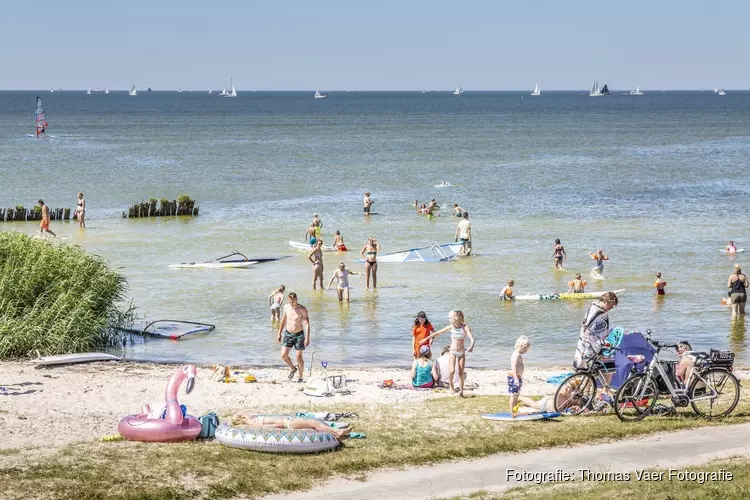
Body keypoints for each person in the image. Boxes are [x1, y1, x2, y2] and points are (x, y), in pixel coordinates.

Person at [421, 310, 475, 397]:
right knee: (452, 371)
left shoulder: (465, 327)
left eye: (450, 318)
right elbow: (437, 333)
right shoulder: (450, 327)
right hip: (452, 352)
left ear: (456, 318)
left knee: (461, 372)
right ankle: (451, 386)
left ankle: (461, 392)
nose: (449, 319)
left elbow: (472, 338)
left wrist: (471, 346)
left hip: (461, 352)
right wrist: (426, 338)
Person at [573, 292, 618, 380]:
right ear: (606, 301)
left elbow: (589, 329)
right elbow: (590, 332)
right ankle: (605, 389)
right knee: (609, 365)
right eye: (611, 306)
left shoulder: (593, 308)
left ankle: (588, 391)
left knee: (588, 371)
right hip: (592, 346)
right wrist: (603, 343)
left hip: (586, 344)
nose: (611, 308)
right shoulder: (599, 313)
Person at [231, 414, 351, 440]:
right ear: (241, 418)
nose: (245, 413)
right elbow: (265, 426)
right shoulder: (252, 423)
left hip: (286, 422)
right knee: (314, 424)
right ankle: (337, 433)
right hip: (287, 424)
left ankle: (337, 434)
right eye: (241, 414)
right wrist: (280, 425)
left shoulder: (252, 420)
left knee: (314, 424)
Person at [277, 292, 310, 382]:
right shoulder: (286, 307)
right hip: (288, 334)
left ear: (296, 299)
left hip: (299, 334)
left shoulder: (302, 309)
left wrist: (307, 338)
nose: (291, 303)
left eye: (293, 301)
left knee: (299, 357)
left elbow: (307, 324)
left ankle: (300, 377)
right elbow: (283, 320)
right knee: (283, 355)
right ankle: (292, 368)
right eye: (290, 301)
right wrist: (279, 333)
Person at [509, 335, 531, 417]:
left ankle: (515, 410)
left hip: (517, 377)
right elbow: (513, 366)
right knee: (513, 395)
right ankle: (512, 412)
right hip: (514, 377)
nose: (526, 351)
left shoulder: (518, 354)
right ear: (521, 346)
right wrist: (515, 378)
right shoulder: (516, 355)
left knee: (517, 394)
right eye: (525, 349)